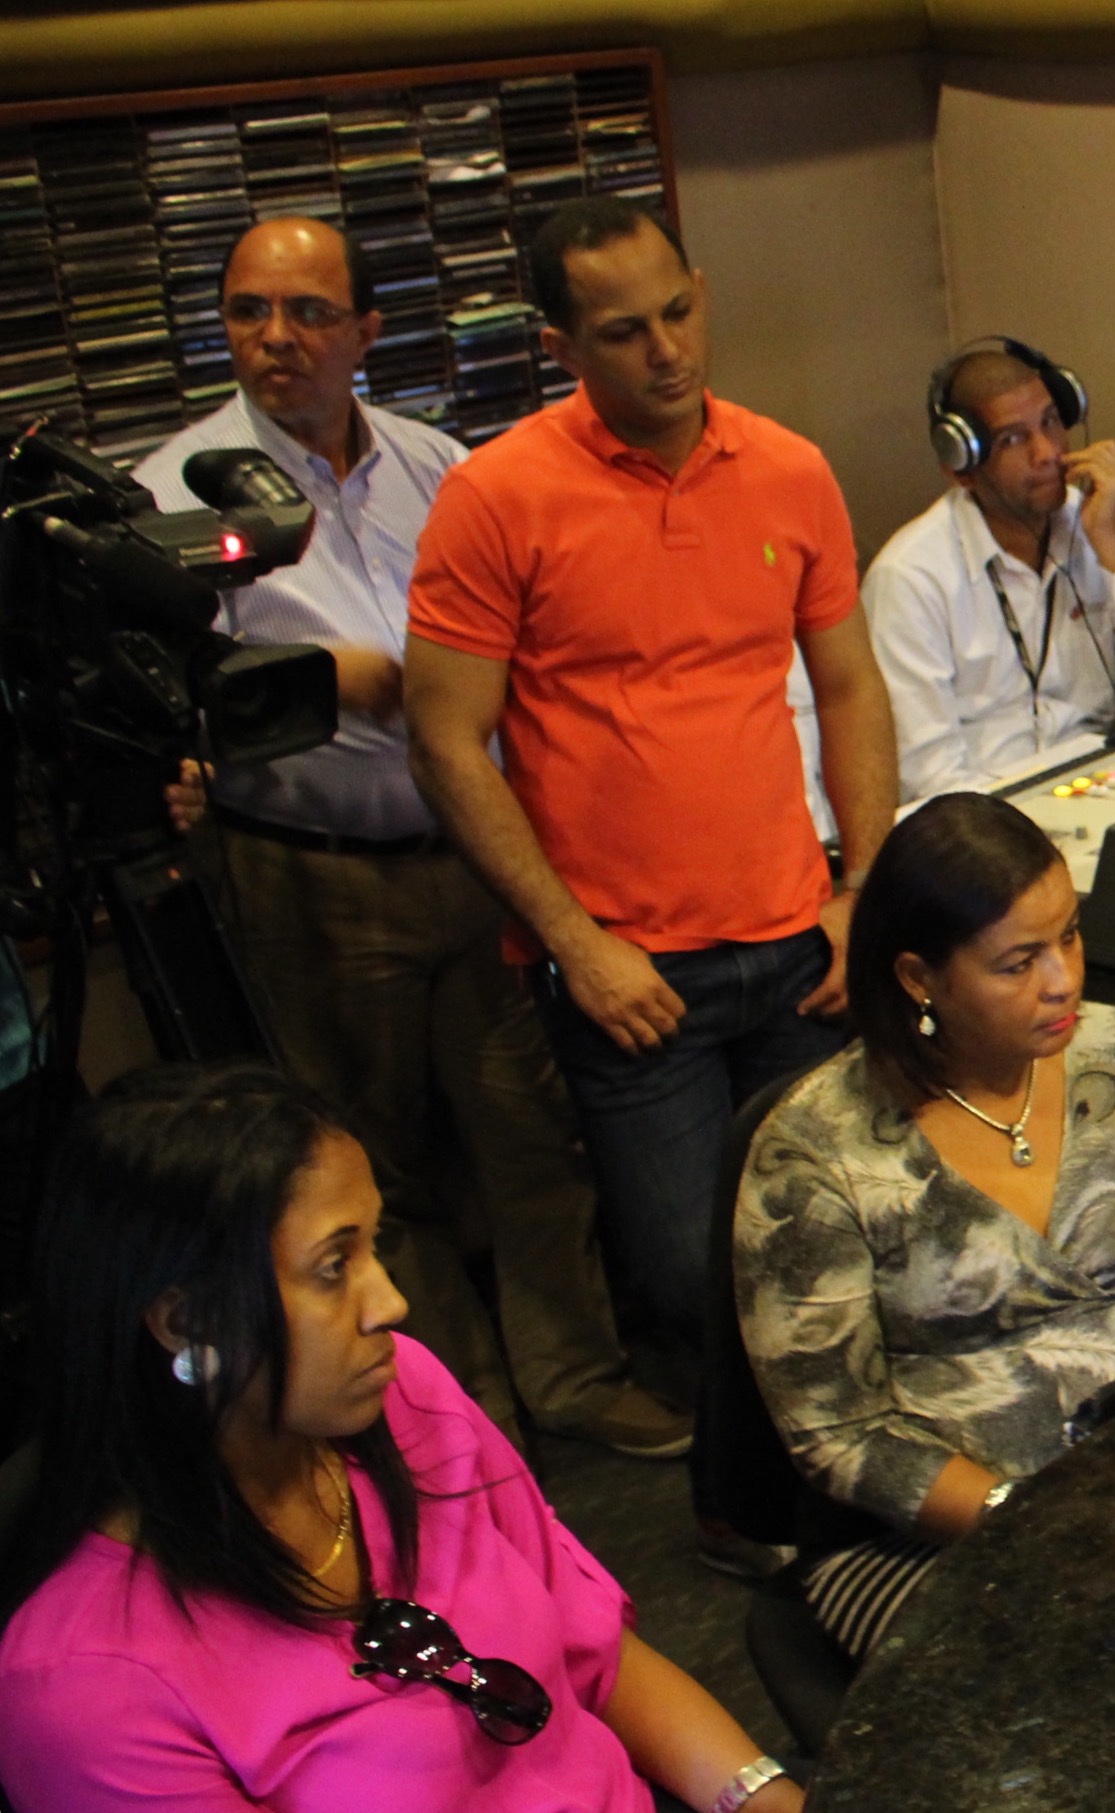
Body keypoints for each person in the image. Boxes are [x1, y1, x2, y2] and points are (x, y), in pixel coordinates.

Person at [132, 215, 683, 1461]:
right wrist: (325, 680)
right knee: (371, 1165)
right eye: (248, 312)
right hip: (309, 873)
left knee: (528, 1136)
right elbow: (163, 699)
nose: (276, 337)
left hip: (472, 856)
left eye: (309, 312)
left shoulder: (438, 464)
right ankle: (447, 1419)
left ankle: (578, 1378)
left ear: (367, 330)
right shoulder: (176, 493)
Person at [0, 1065, 801, 1813]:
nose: (388, 1302)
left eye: (373, 1246)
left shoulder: (402, 1391)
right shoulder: (86, 1683)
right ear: (185, 1321)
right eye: (332, 1266)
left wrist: (758, 1794)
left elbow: (595, 1653)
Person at [404, 196, 900, 1386]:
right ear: (560, 346)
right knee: (691, 1274)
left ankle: (853, 1457)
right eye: (624, 332)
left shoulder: (787, 467)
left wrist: (862, 892)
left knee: (835, 1232)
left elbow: (848, 686)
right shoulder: (497, 494)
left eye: (679, 312)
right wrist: (572, 943)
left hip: (796, 937)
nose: (667, 350)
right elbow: (444, 741)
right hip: (631, 973)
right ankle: (749, 1470)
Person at [735, 793, 1115, 1658]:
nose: (1062, 980)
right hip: (939, 1527)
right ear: (919, 978)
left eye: (1069, 935)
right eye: (1018, 961)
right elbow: (837, 1433)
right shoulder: (813, 1153)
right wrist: (1027, 1516)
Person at [861, 340, 1115, 807]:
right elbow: (932, 784)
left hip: (1108, 791)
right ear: (961, 466)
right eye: (1013, 439)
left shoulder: (1101, 524)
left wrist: (1111, 548)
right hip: (992, 821)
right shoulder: (911, 579)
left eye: (1050, 422)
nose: (1048, 452)